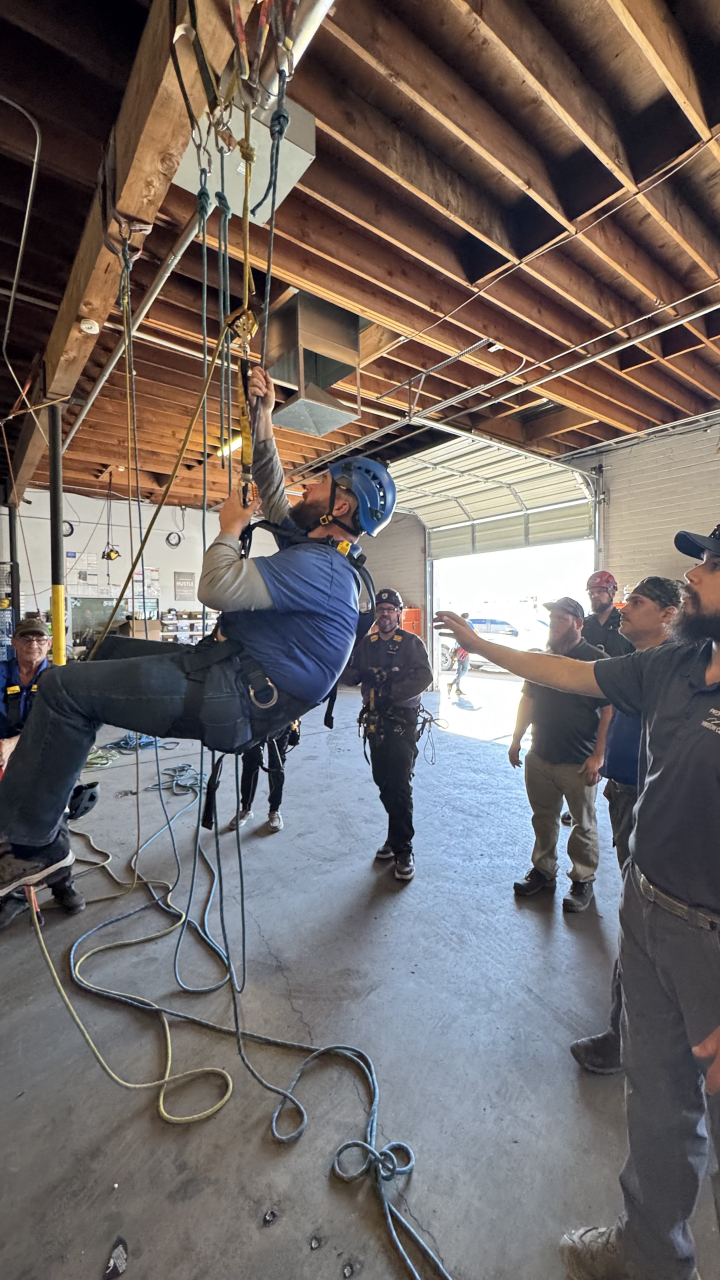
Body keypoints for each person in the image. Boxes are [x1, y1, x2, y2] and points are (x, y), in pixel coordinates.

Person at [436, 522, 720, 1280]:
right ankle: (651, 1255)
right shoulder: (675, 664)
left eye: (713, 565)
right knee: (658, 1105)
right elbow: (558, 672)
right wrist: (474, 639)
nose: (693, 575)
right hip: (650, 908)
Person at [0, 367, 396, 900]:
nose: (308, 484)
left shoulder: (321, 571)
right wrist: (261, 419)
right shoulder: (322, 549)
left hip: (229, 698)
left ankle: (31, 847)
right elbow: (278, 494)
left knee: (62, 689)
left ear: (340, 507)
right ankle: (49, 796)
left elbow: (217, 586)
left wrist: (230, 527)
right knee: (105, 650)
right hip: (224, 675)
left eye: (320, 483)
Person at [571, 577, 681, 1074]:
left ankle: (623, 1038)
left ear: (669, 615)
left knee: (642, 918)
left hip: (654, 802)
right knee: (636, 912)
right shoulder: (633, 661)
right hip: (623, 793)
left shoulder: (683, 670)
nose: (622, 607)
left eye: (636, 601)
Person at [510, 597, 612, 913]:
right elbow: (527, 700)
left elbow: (609, 711)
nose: (555, 624)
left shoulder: (595, 661)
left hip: (578, 762)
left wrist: (598, 756)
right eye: (552, 618)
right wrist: (516, 740)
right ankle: (543, 872)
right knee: (543, 817)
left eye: (562, 618)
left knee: (583, 824)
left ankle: (582, 881)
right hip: (540, 756)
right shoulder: (542, 660)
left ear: (578, 623)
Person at [343, 588, 432, 882]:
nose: (384, 614)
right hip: (373, 721)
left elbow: (424, 677)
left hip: (400, 722)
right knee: (383, 781)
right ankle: (395, 836)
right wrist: (355, 675)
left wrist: (391, 694)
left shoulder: (410, 643)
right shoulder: (366, 644)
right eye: (380, 609)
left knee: (399, 783)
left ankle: (403, 847)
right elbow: (350, 672)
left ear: (399, 613)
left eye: (390, 609)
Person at [0, 618, 85, 925]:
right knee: (7, 827)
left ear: (49, 644)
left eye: (39, 639)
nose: (32, 644)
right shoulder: (0, 674)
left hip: (50, 760)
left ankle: (63, 885)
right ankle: (15, 894)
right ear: (14, 643)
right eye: (26, 639)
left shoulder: (59, 680)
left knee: (52, 820)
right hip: (3, 761)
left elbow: (58, 724)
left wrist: (13, 743)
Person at [229, 722, 299, 833]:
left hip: (282, 717)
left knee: (277, 764)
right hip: (255, 719)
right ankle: (245, 808)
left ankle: (274, 810)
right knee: (250, 762)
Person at [583, 570, 635, 656]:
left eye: (600, 591)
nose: (594, 596)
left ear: (613, 593)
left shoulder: (626, 622)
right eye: (591, 593)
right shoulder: (583, 626)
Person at [448, 614, 471, 695]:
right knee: (464, 670)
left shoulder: (457, 626)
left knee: (460, 670)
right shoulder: (466, 627)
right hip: (463, 651)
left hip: (459, 651)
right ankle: (451, 684)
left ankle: (457, 689)